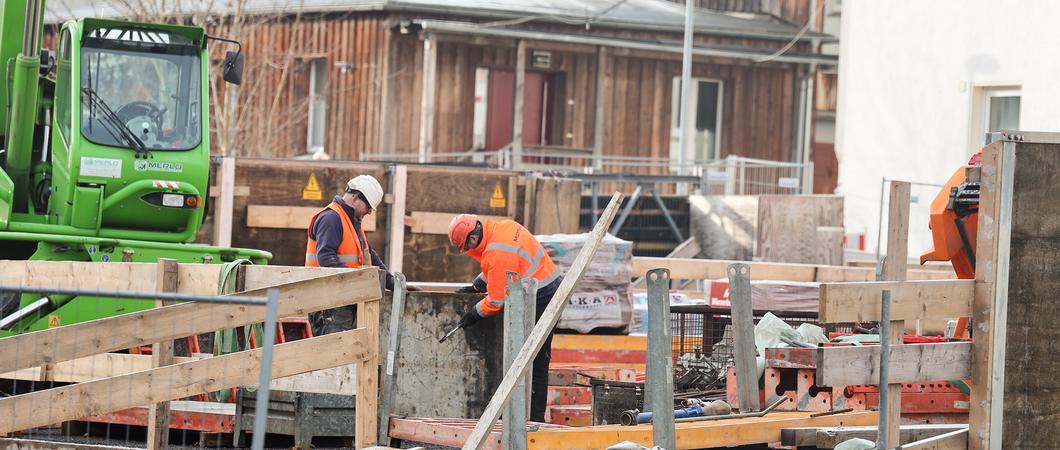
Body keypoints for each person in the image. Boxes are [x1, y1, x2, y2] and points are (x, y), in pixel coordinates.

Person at [447, 214, 563, 423]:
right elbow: (508, 263)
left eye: (467, 246)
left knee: (535, 360)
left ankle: (534, 420)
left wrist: (474, 313)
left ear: (473, 238)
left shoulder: (496, 253)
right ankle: (523, 415)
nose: (470, 250)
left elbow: (496, 300)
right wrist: (478, 284)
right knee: (536, 357)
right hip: (549, 285)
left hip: (542, 297)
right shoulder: (503, 227)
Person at [305, 175, 395, 335]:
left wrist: (392, 282)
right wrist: (357, 280)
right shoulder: (331, 218)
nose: (369, 212)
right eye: (368, 207)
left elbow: (369, 255)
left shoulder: (351, 221)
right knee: (334, 355)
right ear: (355, 198)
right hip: (328, 304)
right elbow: (326, 257)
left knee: (347, 355)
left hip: (344, 299)